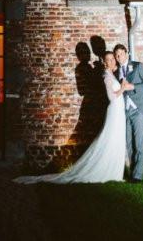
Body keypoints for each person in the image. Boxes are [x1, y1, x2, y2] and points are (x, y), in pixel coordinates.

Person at [14, 51, 129, 184]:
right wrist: (123, 88)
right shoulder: (106, 76)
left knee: (115, 139)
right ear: (104, 62)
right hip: (114, 111)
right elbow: (111, 97)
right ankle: (107, 171)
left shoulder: (112, 74)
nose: (111, 61)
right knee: (110, 139)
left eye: (112, 59)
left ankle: (114, 171)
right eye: (108, 60)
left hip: (119, 111)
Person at [114, 43, 143, 183]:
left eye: (121, 54)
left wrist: (133, 86)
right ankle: (133, 172)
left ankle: (137, 176)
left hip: (139, 111)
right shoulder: (117, 72)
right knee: (129, 143)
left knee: (139, 144)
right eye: (116, 55)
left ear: (127, 53)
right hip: (125, 112)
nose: (119, 57)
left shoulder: (138, 66)